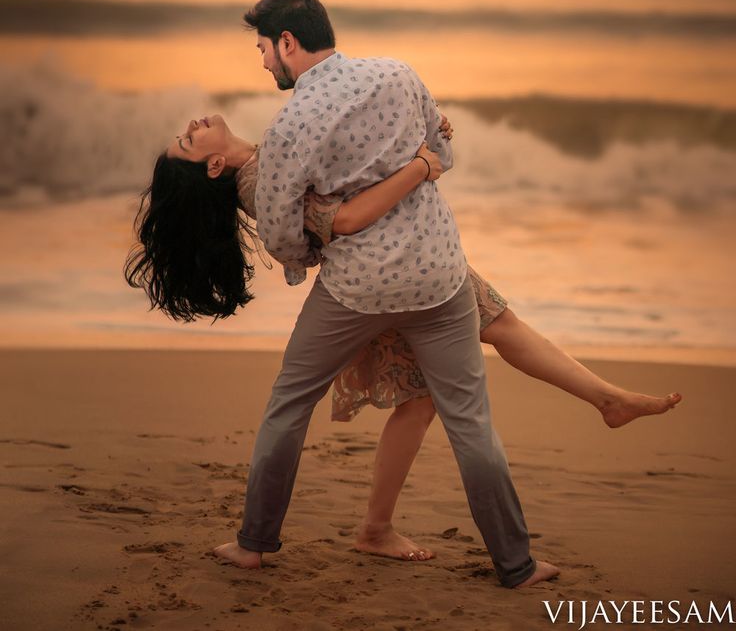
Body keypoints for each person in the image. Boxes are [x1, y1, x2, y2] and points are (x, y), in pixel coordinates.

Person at [128, 105, 681, 564]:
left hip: (384, 266)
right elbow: (345, 208)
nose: (195, 123)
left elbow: (350, 161)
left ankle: (370, 529)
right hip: (392, 268)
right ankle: (601, 406)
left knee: (425, 396)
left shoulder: (266, 166)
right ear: (214, 165)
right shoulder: (264, 181)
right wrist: (421, 159)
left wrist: (419, 134)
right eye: (188, 138)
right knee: (493, 335)